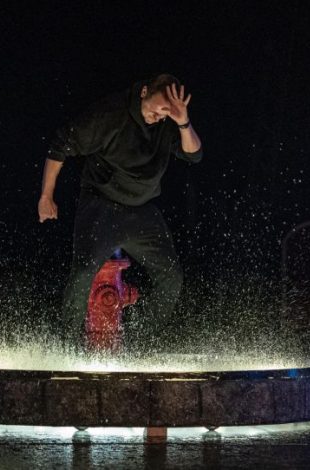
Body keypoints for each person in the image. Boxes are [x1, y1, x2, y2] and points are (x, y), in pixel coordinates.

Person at [37, 74, 203, 348]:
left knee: (172, 278)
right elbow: (61, 144)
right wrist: (46, 196)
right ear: (144, 91)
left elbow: (194, 154)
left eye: (165, 114)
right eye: (157, 109)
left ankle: (137, 345)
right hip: (102, 205)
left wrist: (183, 121)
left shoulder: (167, 123)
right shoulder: (111, 113)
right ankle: (66, 346)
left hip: (141, 211)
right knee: (83, 272)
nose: (158, 116)